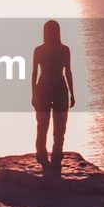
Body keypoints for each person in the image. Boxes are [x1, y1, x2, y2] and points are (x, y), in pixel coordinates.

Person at [31, 19, 75, 169]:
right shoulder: (41, 50)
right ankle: (44, 155)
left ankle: (55, 155)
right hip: (45, 88)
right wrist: (34, 94)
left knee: (58, 125)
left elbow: (68, 72)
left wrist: (72, 94)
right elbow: (34, 72)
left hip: (54, 88)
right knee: (44, 125)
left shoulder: (63, 50)